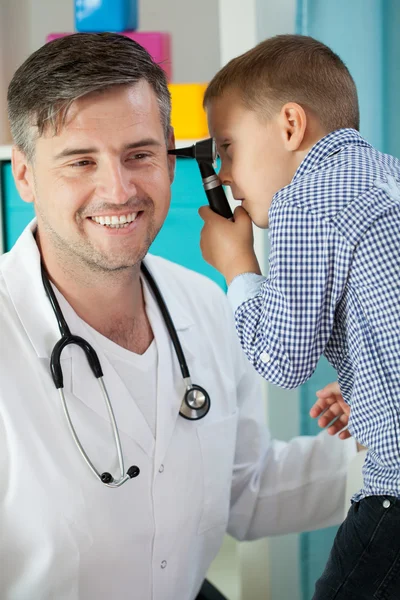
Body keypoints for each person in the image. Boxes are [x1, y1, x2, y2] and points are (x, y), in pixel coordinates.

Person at [0, 32, 355, 600]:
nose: (118, 190)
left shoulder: (206, 304)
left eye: (139, 154)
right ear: (24, 175)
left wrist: (384, 438)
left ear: (171, 157)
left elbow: (246, 488)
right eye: (80, 161)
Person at [199, 33, 400, 599]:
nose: (225, 175)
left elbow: (282, 359)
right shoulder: (388, 176)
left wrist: (238, 265)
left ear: (290, 125)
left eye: (228, 149)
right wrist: (370, 388)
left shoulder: (304, 200)